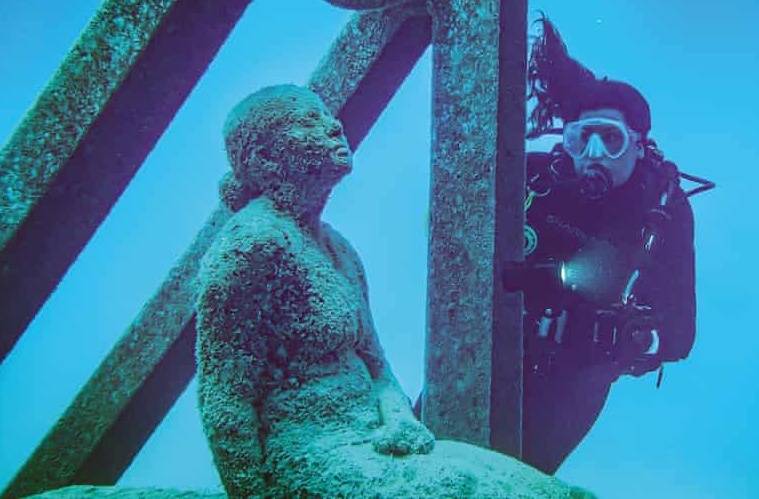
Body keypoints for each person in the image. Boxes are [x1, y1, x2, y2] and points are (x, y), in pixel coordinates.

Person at [194, 84, 596, 499]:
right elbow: (225, 399)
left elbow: (377, 365)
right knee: (465, 490)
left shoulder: (339, 249)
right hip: (309, 456)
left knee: (559, 494)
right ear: (264, 159)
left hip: (377, 443)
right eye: (307, 121)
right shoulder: (251, 247)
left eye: (326, 115)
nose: (333, 126)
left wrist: (400, 417)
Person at [512, 16, 711, 474]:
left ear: (640, 146)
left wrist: (619, 336)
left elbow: (680, 335)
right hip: (493, 343)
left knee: (514, 479)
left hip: (576, 378)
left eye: (612, 139)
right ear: (567, 140)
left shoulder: (663, 209)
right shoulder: (532, 176)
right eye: (583, 138)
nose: (595, 155)